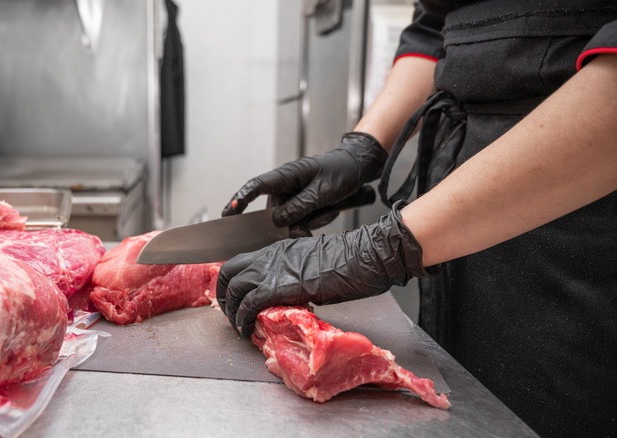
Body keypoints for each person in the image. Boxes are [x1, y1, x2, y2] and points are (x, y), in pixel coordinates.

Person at [215, 1, 617, 437]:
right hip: (456, 196)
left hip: (578, 204)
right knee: (455, 401)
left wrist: (384, 246)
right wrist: (364, 146)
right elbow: (435, 27)